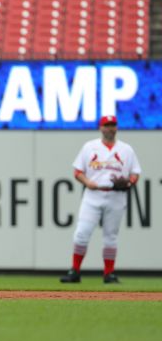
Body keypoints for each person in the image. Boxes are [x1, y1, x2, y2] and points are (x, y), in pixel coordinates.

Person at [60, 115, 142, 284]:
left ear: (116, 128)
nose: (110, 128)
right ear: (101, 127)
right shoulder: (90, 147)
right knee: (81, 233)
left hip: (116, 196)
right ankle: (74, 271)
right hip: (93, 195)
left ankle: (109, 273)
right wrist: (87, 182)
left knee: (110, 236)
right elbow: (77, 172)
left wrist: (129, 182)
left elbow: (135, 173)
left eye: (113, 125)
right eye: (107, 125)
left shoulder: (126, 149)